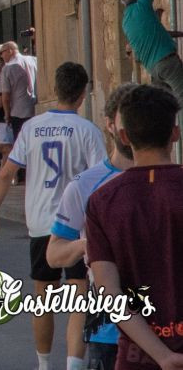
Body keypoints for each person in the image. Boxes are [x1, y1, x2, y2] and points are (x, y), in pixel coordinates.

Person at [0, 62, 106, 370]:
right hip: (77, 226)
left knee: (43, 296)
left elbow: (6, 173)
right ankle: (73, 365)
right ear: (82, 94)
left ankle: (43, 364)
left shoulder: (32, 127)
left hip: (41, 222)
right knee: (79, 294)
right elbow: (101, 181)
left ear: (54, 89)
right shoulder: (88, 131)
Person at [85, 85, 183, 370]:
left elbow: (108, 292)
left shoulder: (103, 201)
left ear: (124, 136)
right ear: (175, 133)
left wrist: (162, 355)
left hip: (136, 356)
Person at [46, 84, 137, 370]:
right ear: (110, 124)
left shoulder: (169, 182)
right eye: (126, 119)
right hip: (108, 332)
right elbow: (54, 254)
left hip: (167, 327)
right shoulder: (85, 185)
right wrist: (90, 244)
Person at [120, 0, 183, 105]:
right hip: (167, 63)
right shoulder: (142, 6)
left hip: (154, 69)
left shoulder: (126, 23)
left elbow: (156, 34)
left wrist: (180, 34)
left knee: (163, 105)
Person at [0, 39, 38, 139]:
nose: (1, 56)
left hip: (18, 113)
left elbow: (5, 97)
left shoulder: (7, 68)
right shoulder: (34, 60)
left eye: (2, 52)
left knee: (21, 144)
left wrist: (7, 115)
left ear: (10, 51)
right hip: (36, 108)